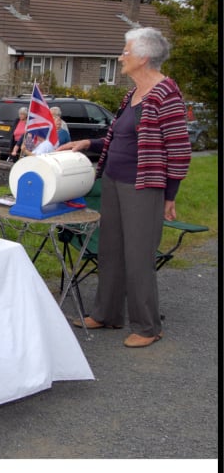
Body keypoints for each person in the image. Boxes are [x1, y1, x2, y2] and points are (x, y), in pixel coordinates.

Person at [59, 27, 191, 348]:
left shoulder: (165, 94)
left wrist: (170, 195)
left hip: (143, 186)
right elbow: (119, 138)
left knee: (138, 255)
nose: (121, 56)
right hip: (114, 182)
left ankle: (147, 327)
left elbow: (179, 149)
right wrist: (87, 142)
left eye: (126, 51)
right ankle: (106, 314)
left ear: (143, 57)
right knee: (110, 251)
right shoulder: (132, 94)